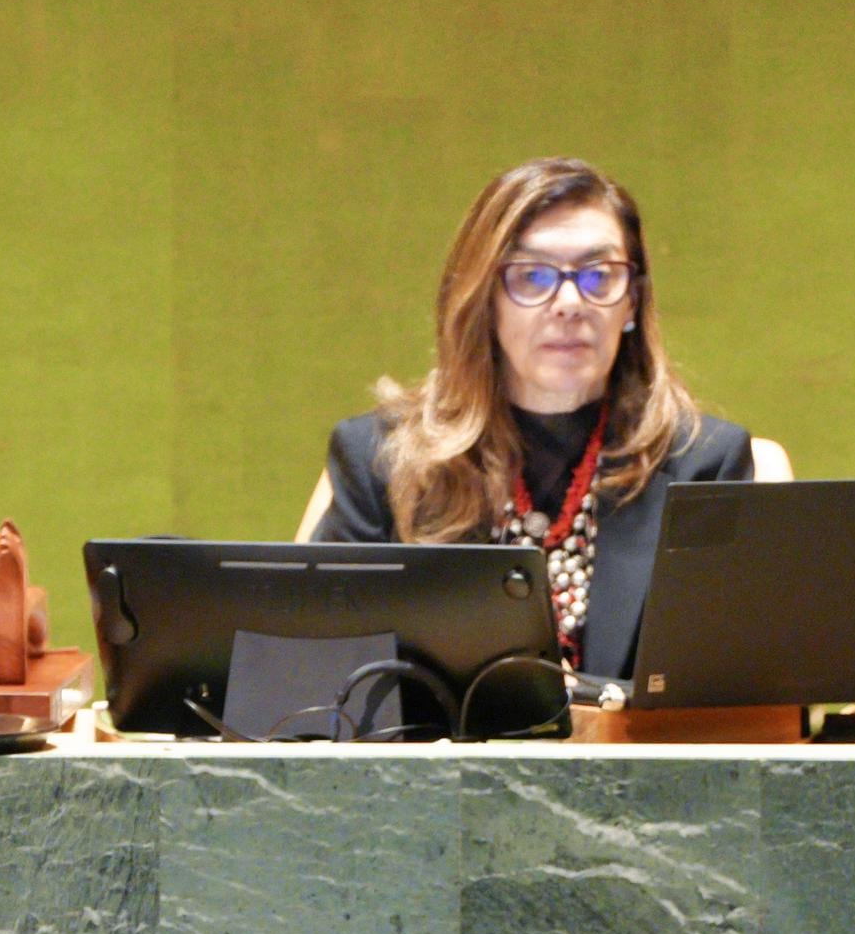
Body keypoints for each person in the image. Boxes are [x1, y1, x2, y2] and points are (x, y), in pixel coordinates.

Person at [309, 157, 758, 684]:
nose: (569, 302)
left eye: (598, 275)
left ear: (632, 302)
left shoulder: (703, 465)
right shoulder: (381, 459)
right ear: (486, 301)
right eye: (532, 276)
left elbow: (728, 702)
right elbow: (321, 687)